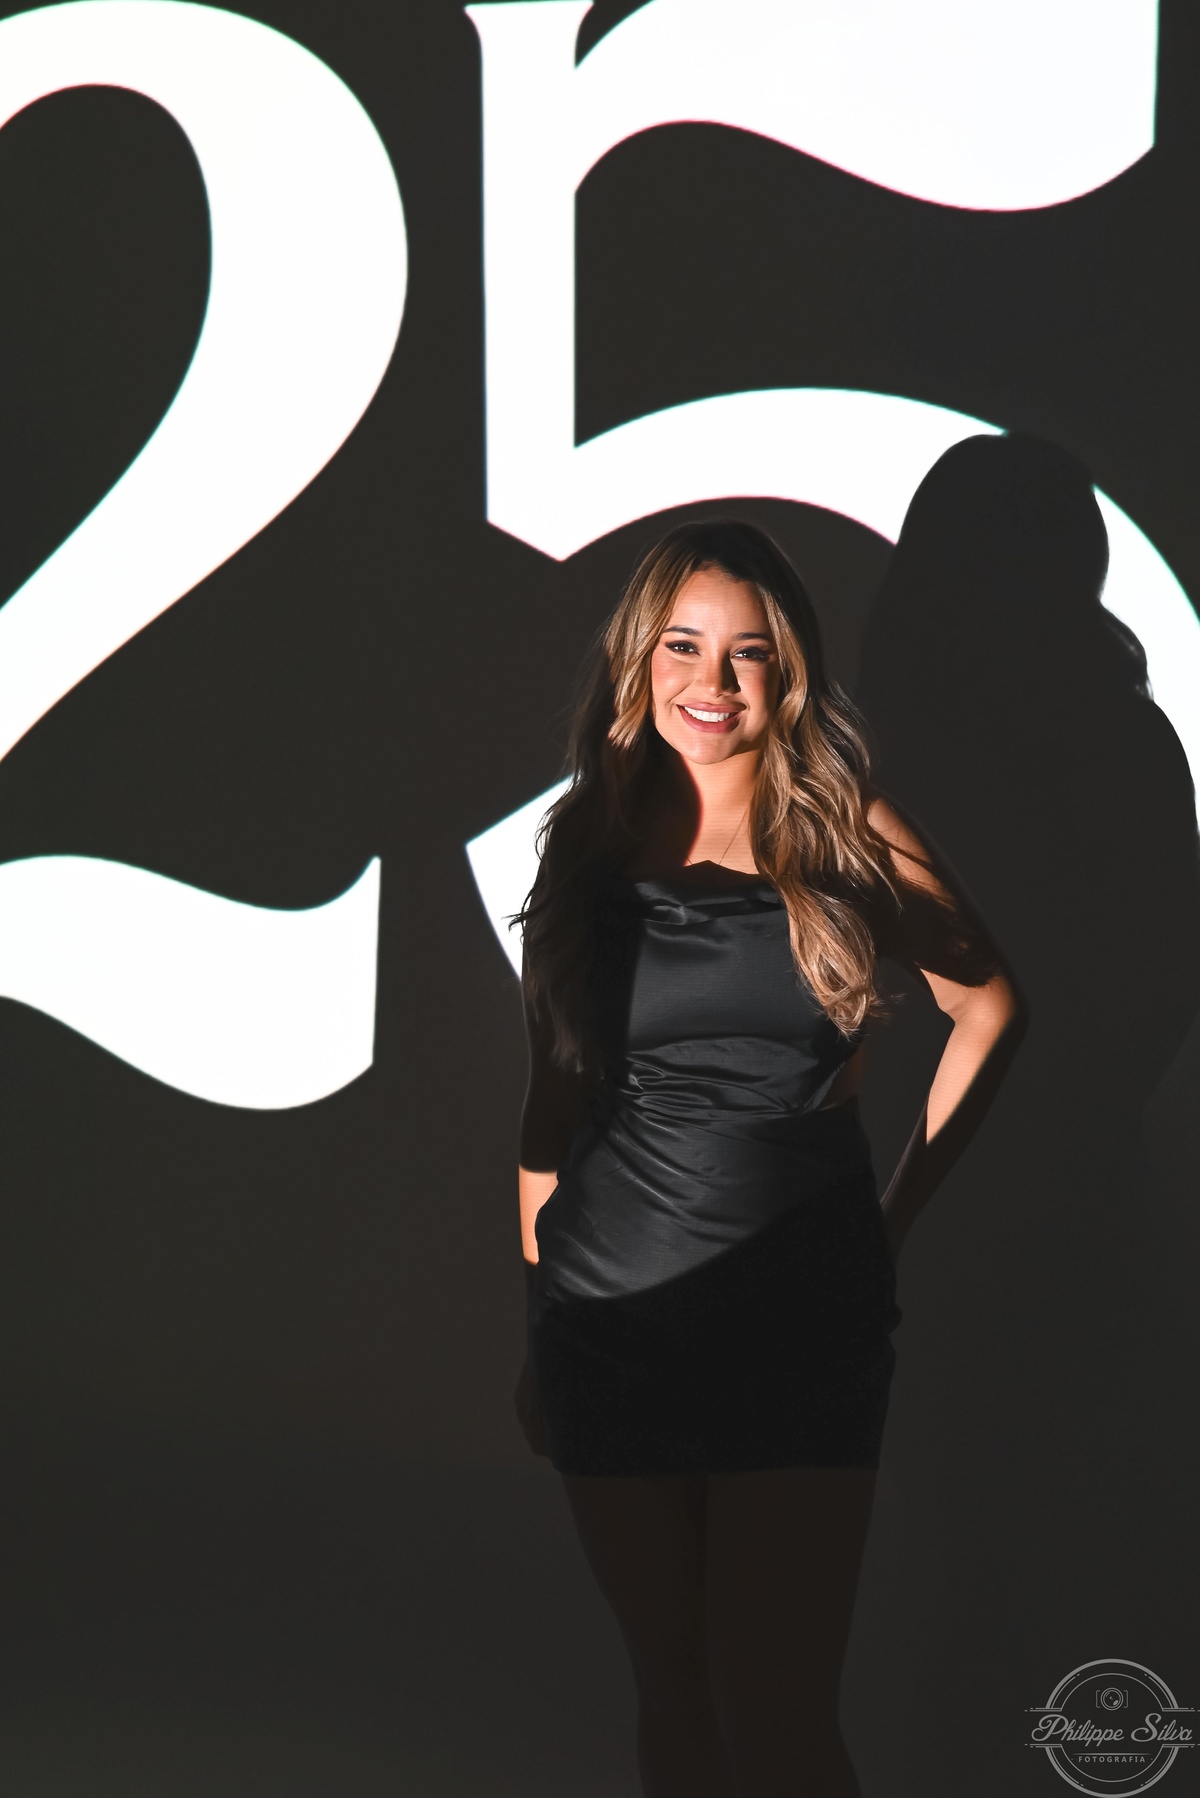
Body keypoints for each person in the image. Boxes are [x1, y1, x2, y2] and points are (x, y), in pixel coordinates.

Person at [512, 518, 1022, 1798]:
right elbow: (549, 1112)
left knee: (780, 1714)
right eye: (684, 645)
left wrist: (889, 1220)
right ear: (640, 658)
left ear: (787, 672)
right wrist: (542, 1323)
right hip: (610, 1325)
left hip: (801, 1323)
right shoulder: (586, 845)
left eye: (747, 652)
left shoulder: (846, 828)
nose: (713, 681)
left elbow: (989, 1005)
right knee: (675, 1699)